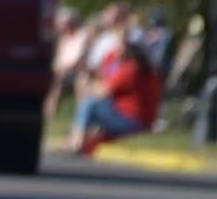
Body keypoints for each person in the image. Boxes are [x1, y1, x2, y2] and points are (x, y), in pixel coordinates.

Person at [65, 11, 161, 154]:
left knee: (90, 104)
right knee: (90, 102)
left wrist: (91, 87)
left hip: (133, 119)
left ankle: (77, 140)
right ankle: (80, 138)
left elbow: (105, 89)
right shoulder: (116, 59)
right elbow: (101, 75)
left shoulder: (132, 67)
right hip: (121, 112)